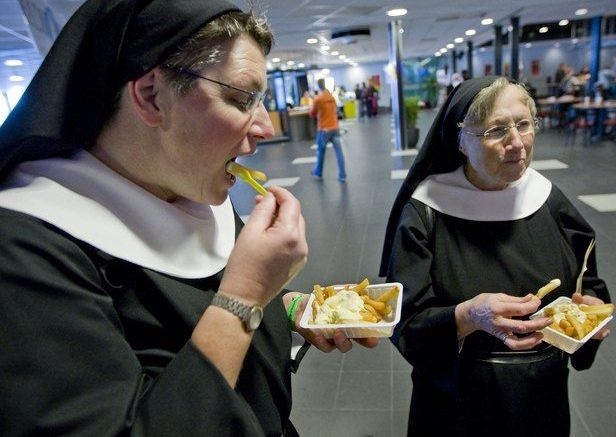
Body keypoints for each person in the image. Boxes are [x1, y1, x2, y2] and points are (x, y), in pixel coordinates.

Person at [0, 1, 376, 435]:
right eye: (239, 98)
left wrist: (290, 307)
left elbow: (200, 301)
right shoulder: (24, 249)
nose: (265, 128)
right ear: (150, 95)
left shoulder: (191, 187)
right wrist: (249, 293)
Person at [380, 77, 612, 436]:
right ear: (459, 141)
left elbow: (587, 279)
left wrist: (590, 308)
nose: (516, 142)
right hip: (458, 405)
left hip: (543, 397)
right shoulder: (427, 212)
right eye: (496, 130)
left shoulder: (548, 199)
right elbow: (403, 321)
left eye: (523, 124)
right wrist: (467, 316)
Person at [310, 78, 347, 182]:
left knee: (321, 152)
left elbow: (312, 113)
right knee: (339, 153)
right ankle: (342, 175)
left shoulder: (318, 99)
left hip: (324, 129)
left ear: (318, 86)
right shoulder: (332, 97)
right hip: (335, 127)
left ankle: (318, 172)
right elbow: (335, 109)